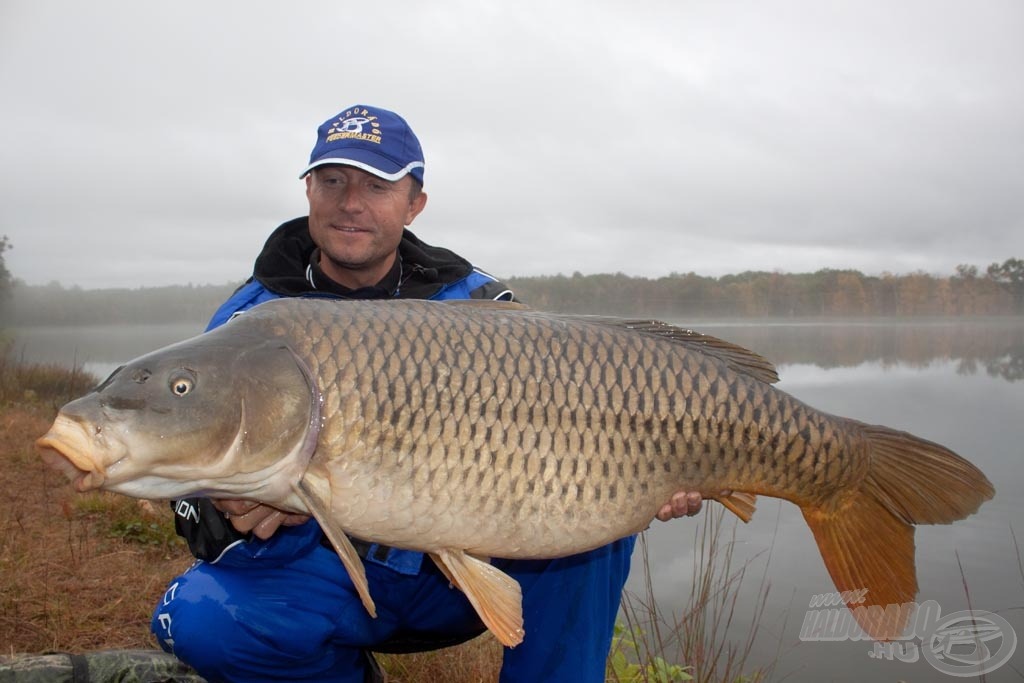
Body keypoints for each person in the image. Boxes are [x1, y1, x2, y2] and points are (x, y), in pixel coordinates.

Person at [150, 104, 710, 683]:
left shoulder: (476, 304)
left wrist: (657, 473)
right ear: (308, 189)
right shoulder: (250, 325)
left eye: (377, 185)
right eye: (334, 180)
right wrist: (231, 509)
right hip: (325, 574)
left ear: (414, 203)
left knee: (592, 534)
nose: (351, 202)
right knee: (196, 621)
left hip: (465, 572)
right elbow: (190, 506)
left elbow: (585, 419)